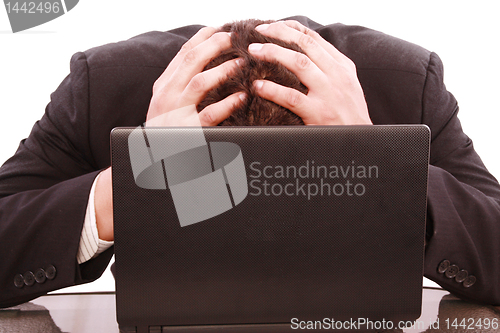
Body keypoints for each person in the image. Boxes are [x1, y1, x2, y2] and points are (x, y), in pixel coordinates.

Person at [1, 16, 499, 309]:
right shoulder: (102, 88)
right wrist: (130, 184)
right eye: (219, 199)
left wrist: (385, 165)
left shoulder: (406, 88)